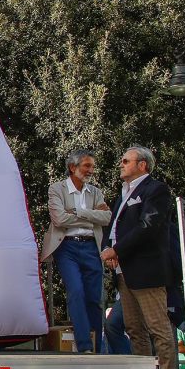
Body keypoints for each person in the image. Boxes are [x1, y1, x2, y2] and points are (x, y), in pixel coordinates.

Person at [100, 145, 176, 369]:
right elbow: (113, 227)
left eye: (126, 161)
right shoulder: (123, 193)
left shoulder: (156, 189)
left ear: (142, 165)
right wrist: (107, 247)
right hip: (124, 270)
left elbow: (149, 225)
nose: (121, 165)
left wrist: (117, 250)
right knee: (134, 329)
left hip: (147, 269)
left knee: (158, 328)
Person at [41, 149, 111, 353]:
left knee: (94, 299)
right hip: (67, 247)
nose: (91, 170)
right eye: (86, 166)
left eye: (92, 166)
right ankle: (84, 345)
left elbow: (107, 218)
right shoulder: (57, 189)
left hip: (91, 246)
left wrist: (79, 212)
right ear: (73, 167)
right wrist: (93, 215)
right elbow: (60, 219)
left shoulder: (95, 191)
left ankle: (97, 346)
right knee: (76, 292)